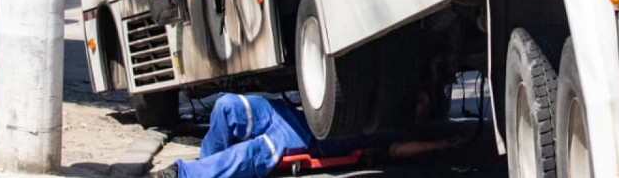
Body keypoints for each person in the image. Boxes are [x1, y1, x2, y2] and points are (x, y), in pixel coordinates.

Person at [149, 92, 464, 178]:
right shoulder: (380, 99)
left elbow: (397, 152)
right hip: (288, 115)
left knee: (250, 154)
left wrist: (438, 144)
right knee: (228, 106)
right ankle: (210, 167)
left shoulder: (394, 133)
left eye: (424, 104)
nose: (418, 102)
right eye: (419, 97)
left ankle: (184, 174)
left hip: (310, 143)